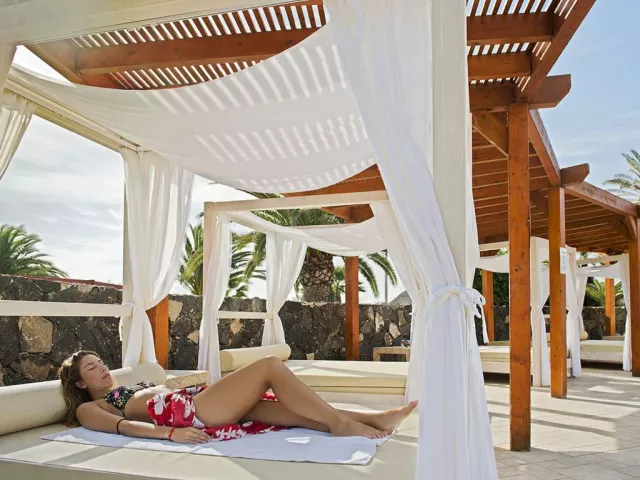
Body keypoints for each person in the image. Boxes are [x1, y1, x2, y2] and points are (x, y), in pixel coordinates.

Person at [59, 350, 417, 445]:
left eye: (101, 362)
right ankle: (342, 424)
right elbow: (123, 428)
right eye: (92, 368)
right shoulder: (92, 407)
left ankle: (373, 418)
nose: (102, 368)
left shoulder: (130, 385)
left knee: (293, 412)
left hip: (196, 400)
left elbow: (174, 385)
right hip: (193, 413)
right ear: (79, 383)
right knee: (270, 366)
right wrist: (171, 434)